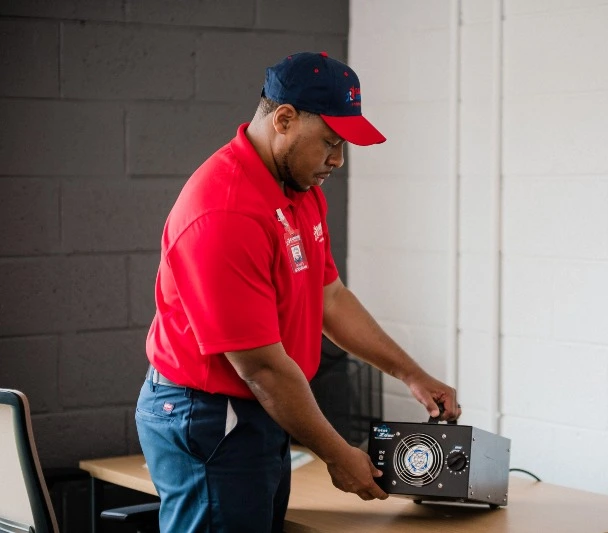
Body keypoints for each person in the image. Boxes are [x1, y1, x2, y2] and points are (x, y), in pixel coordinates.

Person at [135, 51, 460, 533]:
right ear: (283, 119)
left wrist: (411, 375)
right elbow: (262, 367)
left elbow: (330, 298)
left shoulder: (300, 190)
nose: (338, 160)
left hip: (263, 406)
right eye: (329, 142)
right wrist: (337, 454)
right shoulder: (226, 212)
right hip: (211, 413)